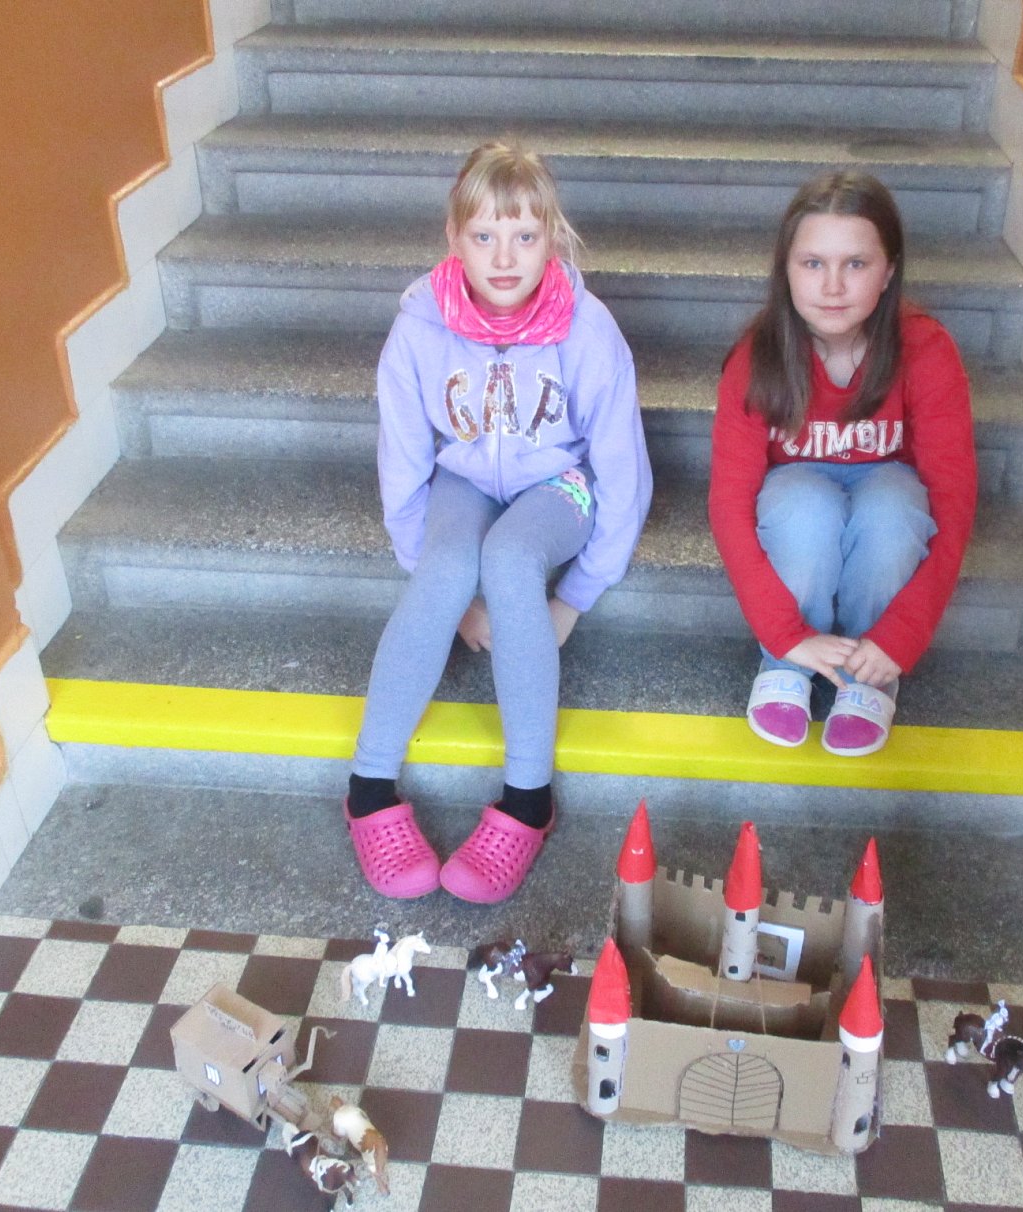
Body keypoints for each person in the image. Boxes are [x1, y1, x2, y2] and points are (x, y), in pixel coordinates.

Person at [345, 141, 652, 903]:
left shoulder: (587, 328)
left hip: (559, 483)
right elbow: (403, 463)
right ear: (454, 238)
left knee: (512, 559)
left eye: (524, 236)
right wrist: (444, 589)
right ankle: (368, 787)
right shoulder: (419, 326)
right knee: (451, 565)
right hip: (466, 477)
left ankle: (527, 800)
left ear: (553, 238)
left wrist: (573, 598)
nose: (505, 257)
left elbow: (623, 472)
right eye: (484, 235)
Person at [708, 172, 976, 757]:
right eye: (812, 263)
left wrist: (900, 637)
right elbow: (729, 505)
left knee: (893, 507)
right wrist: (785, 634)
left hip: (887, 494)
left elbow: (953, 503)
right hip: (797, 499)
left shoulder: (927, 350)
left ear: (889, 271)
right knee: (806, 506)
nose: (832, 286)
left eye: (855, 263)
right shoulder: (758, 358)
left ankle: (867, 671)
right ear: (786, 269)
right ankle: (786, 666)